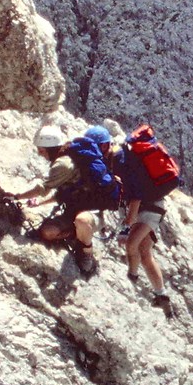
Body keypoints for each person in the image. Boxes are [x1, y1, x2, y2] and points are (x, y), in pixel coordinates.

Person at [14, 119, 123, 277]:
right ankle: (75, 234)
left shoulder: (63, 165)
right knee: (47, 232)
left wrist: (18, 196)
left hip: (92, 215)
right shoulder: (68, 161)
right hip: (72, 211)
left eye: (42, 150)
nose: (40, 154)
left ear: (49, 148)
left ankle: (86, 253)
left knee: (82, 221)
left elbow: (42, 188)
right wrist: (38, 203)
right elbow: (65, 194)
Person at [114, 122, 181, 315]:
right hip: (153, 207)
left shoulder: (122, 165)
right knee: (144, 252)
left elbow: (135, 198)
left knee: (131, 245)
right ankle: (162, 296)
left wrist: (126, 226)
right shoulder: (128, 162)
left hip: (150, 209)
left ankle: (131, 278)